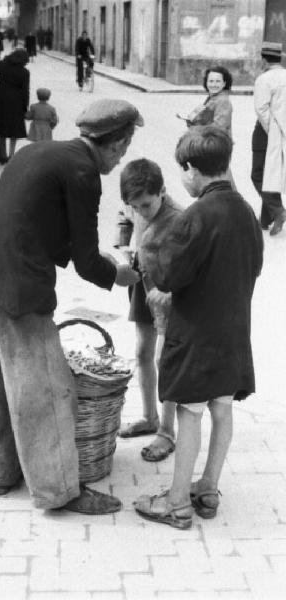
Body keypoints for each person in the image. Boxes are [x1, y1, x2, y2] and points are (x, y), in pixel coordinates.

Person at [0, 98, 143, 514]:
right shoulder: (82, 172)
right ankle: (60, 491)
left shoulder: (37, 151)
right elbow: (84, 257)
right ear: (116, 145)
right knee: (46, 387)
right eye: (123, 150)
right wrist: (119, 276)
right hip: (18, 285)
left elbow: (36, 218)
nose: (120, 160)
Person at [133, 126, 263, 529]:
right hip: (234, 330)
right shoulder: (245, 211)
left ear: (191, 168)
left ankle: (175, 504)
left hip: (196, 334)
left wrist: (148, 264)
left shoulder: (196, 216)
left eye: (182, 172)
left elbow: (169, 273)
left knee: (189, 414)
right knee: (221, 409)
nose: (183, 181)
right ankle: (207, 488)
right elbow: (252, 267)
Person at [115, 159, 182, 463]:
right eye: (136, 206)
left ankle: (167, 433)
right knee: (143, 353)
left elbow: (190, 266)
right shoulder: (134, 204)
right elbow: (124, 216)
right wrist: (122, 244)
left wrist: (168, 293)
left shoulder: (180, 219)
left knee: (163, 359)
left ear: (163, 192)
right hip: (142, 286)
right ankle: (149, 417)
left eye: (146, 205)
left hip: (168, 294)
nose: (141, 211)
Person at [178, 66, 235, 187]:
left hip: (217, 147)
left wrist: (197, 128)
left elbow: (219, 128)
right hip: (210, 145)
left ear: (225, 83)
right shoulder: (213, 97)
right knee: (218, 180)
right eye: (211, 81)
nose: (214, 84)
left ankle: (232, 203)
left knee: (220, 180)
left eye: (218, 81)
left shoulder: (223, 101)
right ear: (206, 82)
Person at [251, 41, 286, 236]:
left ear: (264, 60)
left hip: (267, 132)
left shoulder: (264, 79)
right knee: (270, 173)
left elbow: (261, 108)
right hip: (282, 130)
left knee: (257, 174)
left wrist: (271, 130)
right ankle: (265, 220)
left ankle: (278, 211)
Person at [0, 48, 30, 170]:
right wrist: (25, 107)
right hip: (15, 103)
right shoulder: (24, 72)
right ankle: (11, 157)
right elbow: (25, 92)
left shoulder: (2, 65)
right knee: (13, 132)